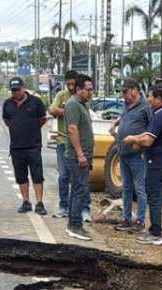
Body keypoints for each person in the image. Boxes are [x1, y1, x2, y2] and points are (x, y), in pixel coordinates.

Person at [122, 84, 162, 245]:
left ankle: (155, 234)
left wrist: (132, 140)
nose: (148, 99)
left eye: (150, 96)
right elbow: (148, 133)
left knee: (155, 199)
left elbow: (148, 141)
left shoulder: (159, 116)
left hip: (158, 164)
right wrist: (135, 137)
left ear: (158, 98)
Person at [109, 77, 152, 233]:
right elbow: (123, 116)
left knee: (139, 189)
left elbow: (153, 130)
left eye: (125, 92)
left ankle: (140, 221)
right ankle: (126, 218)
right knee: (126, 188)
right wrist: (115, 123)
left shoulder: (146, 106)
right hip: (123, 153)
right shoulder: (126, 104)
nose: (123, 95)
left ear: (134, 90)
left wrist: (136, 140)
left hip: (137, 155)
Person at [1, 76, 49, 215]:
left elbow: (42, 119)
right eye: (13, 90)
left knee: (37, 175)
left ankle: (39, 203)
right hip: (16, 147)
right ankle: (26, 201)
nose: (16, 92)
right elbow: (7, 120)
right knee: (21, 176)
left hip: (33, 146)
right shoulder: (7, 104)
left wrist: (30, 128)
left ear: (23, 88)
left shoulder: (35, 102)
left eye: (18, 89)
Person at [64, 73, 95, 241]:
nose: (90, 92)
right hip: (77, 157)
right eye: (87, 89)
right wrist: (80, 154)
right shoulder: (73, 105)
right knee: (80, 190)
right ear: (78, 89)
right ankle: (75, 225)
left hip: (82, 156)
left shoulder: (82, 105)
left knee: (77, 189)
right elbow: (72, 130)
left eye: (91, 90)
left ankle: (72, 223)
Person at [47, 70, 78, 218]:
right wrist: (69, 111)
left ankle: (77, 207)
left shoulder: (81, 95)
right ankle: (63, 206)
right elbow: (52, 109)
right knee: (63, 175)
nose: (71, 87)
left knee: (76, 177)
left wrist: (63, 110)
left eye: (73, 84)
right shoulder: (61, 95)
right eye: (68, 84)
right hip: (62, 141)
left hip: (77, 142)